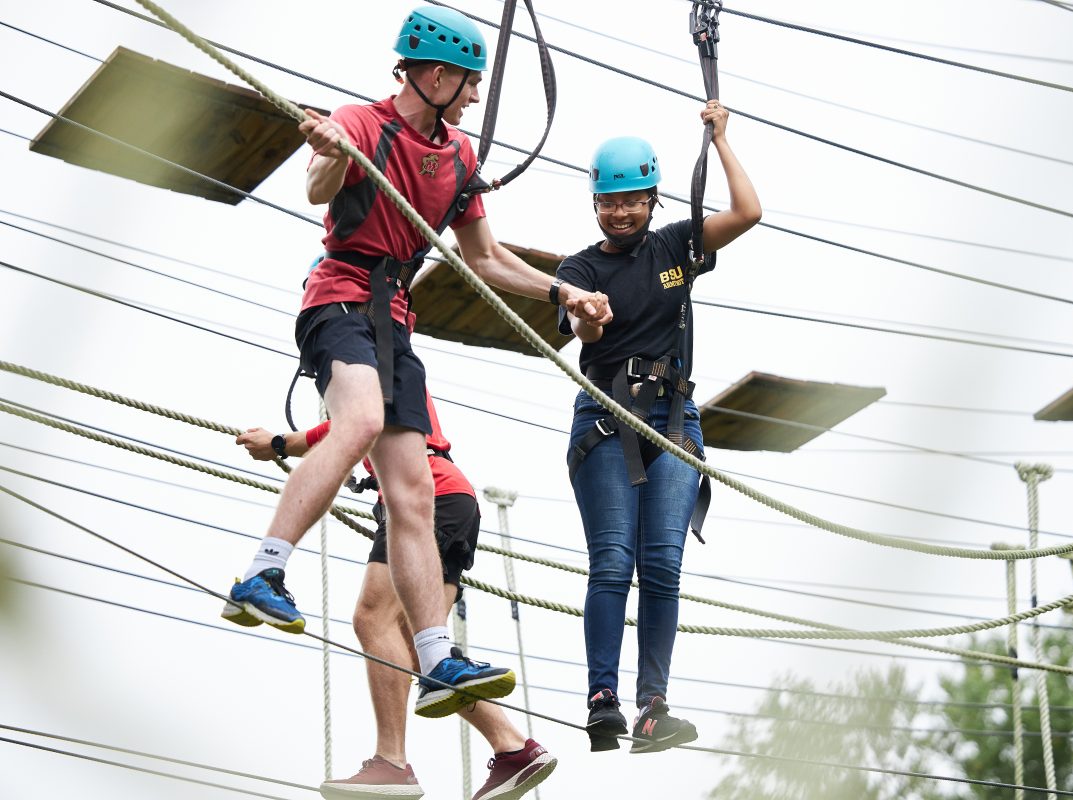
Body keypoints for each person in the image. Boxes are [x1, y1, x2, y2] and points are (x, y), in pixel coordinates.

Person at [220, 3, 610, 725]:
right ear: (434, 75)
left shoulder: (459, 158)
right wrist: (333, 152)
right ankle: (263, 570)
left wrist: (565, 290)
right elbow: (316, 191)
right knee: (360, 421)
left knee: (414, 497)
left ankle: (436, 657)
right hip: (339, 298)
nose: (472, 98)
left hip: (394, 320)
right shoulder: (360, 125)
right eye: (468, 84)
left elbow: (486, 257)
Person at [555, 100, 760, 753]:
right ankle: (602, 699)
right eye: (608, 202)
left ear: (652, 198)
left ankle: (653, 705)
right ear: (595, 204)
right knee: (613, 561)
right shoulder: (580, 270)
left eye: (632, 200)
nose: (619, 212)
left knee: (662, 567)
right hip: (607, 421)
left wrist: (722, 140)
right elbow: (581, 331)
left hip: (672, 417)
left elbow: (749, 212)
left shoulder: (677, 246)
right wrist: (587, 316)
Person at [236, 391, 557, 800]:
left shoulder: (374, 355)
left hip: (427, 492)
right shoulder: (381, 355)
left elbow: (354, 426)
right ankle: (513, 747)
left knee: (373, 619)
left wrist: (281, 443)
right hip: (444, 494)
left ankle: (391, 762)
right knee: (421, 646)